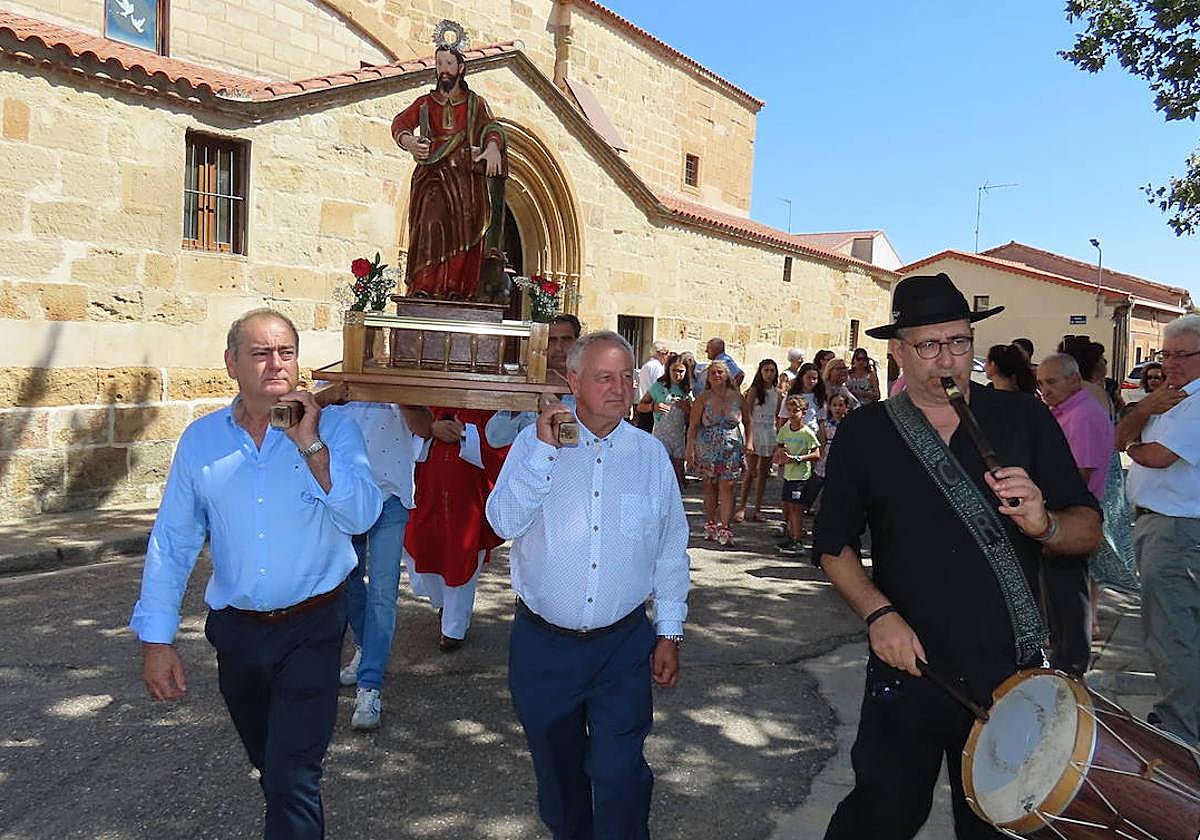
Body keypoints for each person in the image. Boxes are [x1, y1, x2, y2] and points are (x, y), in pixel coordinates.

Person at [815, 273, 1101, 839]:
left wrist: (1044, 524)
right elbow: (833, 546)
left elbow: (1087, 529)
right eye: (929, 345)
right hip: (910, 665)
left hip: (1012, 669)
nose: (947, 359)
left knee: (1000, 825)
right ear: (898, 352)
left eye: (959, 342)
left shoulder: (1025, 418)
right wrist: (878, 615)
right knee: (881, 815)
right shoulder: (867, 432)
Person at [130, 309, 383, 840]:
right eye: (261, 353)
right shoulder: (201, 441)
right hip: (238, 633)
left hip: (313, 627)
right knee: (274, 770)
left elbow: (362, 516)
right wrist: (156, 639)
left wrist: (311, 446)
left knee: (293, 776)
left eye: (286, 353)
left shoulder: (336, 430)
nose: (276, 364)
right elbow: (174, 542)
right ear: (232, 363)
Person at [485, 330, 690, 840]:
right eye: (604, 378)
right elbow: (503, 522)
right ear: (573, 381)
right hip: (544, 648)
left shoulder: (649, 456)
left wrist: (669, 631)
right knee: (559, 775)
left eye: (626, 377)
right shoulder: (534, 444)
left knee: (620, 772)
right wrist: (543, 453)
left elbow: (670, 547)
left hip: (622, 647)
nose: (620, 389)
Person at [1118, 314, 1200, 746]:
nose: (1170, 364)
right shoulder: (1168, 397)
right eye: (1166, 354)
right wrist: (1143, 411)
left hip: (1178, 529)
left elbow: (1156, 456)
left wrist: (1135, 437)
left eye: (1182, 355)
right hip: (1162, 525)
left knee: (1172, 635)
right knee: (1175, 630)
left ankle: (1179, 732)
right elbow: (1119, 438)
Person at [339, 401, 433, 731]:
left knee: (383, 591)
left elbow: (425, 427)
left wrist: (405, 399)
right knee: (346, 581)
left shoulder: (402, 384)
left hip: (390, 499)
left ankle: (370, 685)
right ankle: (366, 647)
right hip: (347, 497)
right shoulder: (338, 384)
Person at [391, 44, 505, 299]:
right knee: (429, 225)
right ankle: (423, 287)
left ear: (461, 68)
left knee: (463, 232)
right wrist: (410, 142)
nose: (443, 69)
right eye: (439, 63)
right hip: (432, 176)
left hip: (465, 180)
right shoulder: (425, 103)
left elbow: (492, 128)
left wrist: (492, 147)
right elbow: (400, 123)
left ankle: (456, 290)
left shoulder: (475, 104)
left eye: (449, 64)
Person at [405, 407, 507, 652]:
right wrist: (431, 429)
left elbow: (499, 442)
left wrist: (465, 433)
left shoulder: (485, 397)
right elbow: (410, 430)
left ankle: (454, 627)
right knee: (421, 543)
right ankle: (443, 604)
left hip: (469, 493)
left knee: (462, 554)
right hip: (429, 488)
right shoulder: (433, 396)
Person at [1037, 353, 1114, 675]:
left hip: (1071, 516)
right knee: (1058, 596)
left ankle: (1070, 666)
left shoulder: (1082, 414)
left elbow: (1079, 473)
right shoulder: (1066, 410)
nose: (1045, 390)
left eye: (1051, 382)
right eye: (1040, 383)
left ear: (1074, 379)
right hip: (1059, 514)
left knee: (1069, 595)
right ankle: (1063, 659)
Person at [485, 313, 580, 448]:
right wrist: (518, 404)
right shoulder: (529, 385)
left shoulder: (589, 387)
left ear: (577, 342)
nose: (559, 348)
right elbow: (495, 439)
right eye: (551, 340)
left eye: (566, 339)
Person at [686, 360, 746, 546]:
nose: (717, 375)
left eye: (720, 372)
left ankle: (725, 527)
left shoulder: (737, 397)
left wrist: (750, 442)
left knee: (728, 486)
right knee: (710, 486)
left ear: (727, 375)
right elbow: (693, 426)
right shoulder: (703, 398)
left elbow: (749, 421)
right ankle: (711, 522)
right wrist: (690, 448)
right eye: (713, 373)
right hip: (707, 447)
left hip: (731, 447)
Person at [635, 352, 693, 490]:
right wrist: (653, 407)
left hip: (679, 437)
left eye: (681, 371)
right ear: (668, 370)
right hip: (661, 435)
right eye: (674, 370)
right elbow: (641, 407)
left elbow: (691, 419)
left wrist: (687, 409)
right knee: (660, 472)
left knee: (677, 473)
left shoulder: (686, 390)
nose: (677, 374)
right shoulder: (659, 387)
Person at [776, 395, 821, 556]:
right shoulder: (785, 429)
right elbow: (780, 444)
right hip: (788, 475)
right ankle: (792, 536)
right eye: (789, 410)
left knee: (797, 509)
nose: (792, 414)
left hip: (800, 477)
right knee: (788, 506)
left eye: (795, 410)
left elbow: (816, 453)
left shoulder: (806, 433)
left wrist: (798, 458)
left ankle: (798, 540)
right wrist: (781, 455)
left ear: (803, 412)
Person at [737, 358, 780, 523]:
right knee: (751, 471)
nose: (769, 374)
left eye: (772, 370)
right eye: (766, 370)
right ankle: (742, 507)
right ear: (760, 372)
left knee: (763, 472)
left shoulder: (777, 392)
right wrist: (749, 437)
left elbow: (777, 415)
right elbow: (747, 414)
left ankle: (757, 509)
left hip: (770, 431)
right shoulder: (754, 390)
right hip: (755, 430)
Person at [636, 341, 671, 431]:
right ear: (659, 353)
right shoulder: (657, 366)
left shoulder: (646, 365)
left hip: (644, 405)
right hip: (653, 407)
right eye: (666, 353)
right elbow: (659, 387)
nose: (668, 356)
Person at [779, 362, 824, 428]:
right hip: (794, 432)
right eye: (808, 378)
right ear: (801, 377)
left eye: (814, 378)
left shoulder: (819, 396)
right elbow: (783, 418)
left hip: (812, 431)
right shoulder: (791, 395)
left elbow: (821, 420)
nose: (811, 381)